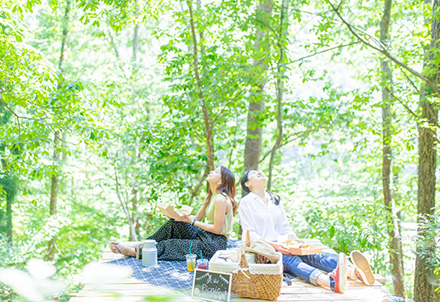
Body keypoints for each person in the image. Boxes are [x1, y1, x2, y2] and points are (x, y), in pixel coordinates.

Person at [238, 170, 375, 294]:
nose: (259, 172)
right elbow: (251, 235)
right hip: (266, 249)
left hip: (285, 244)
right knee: (291, 260)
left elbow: (286, 226)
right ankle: (329, 282)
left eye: (260, 171)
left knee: (313, 256)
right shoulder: (246, 203)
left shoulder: (274, 199)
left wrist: (296, 242)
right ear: (248, 184)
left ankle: (354, 273)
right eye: (255, 173)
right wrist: (275, 246)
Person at [109, 166, 237, 261]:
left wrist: (190, 221)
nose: (211, 172)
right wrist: (177, 216)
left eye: (215, 172)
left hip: (213, 245)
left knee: (170, 245)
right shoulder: (211, 196)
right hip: (205, 236)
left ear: (221, 181)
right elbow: (197, 219)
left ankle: (134, 252)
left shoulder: (221, 199)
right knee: (174, 224)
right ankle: (144, 244)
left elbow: (216, 229)